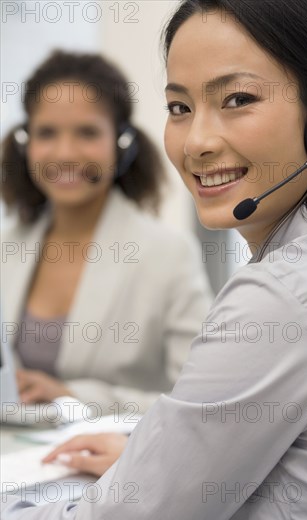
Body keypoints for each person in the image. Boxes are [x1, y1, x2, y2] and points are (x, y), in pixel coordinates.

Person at [1, 0, 307, 520]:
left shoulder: (284, 295)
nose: (197, 142)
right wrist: (160, 462)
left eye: (238, 99)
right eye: (178, 108)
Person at [0, 50, 212, 415]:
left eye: (87, 132)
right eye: (47, 133)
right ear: (25, 144)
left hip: (115, 466)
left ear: (121, 143)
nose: (65, 153)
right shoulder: (7, 245)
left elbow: (202, 401)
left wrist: (73, 396)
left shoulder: (168, 254)